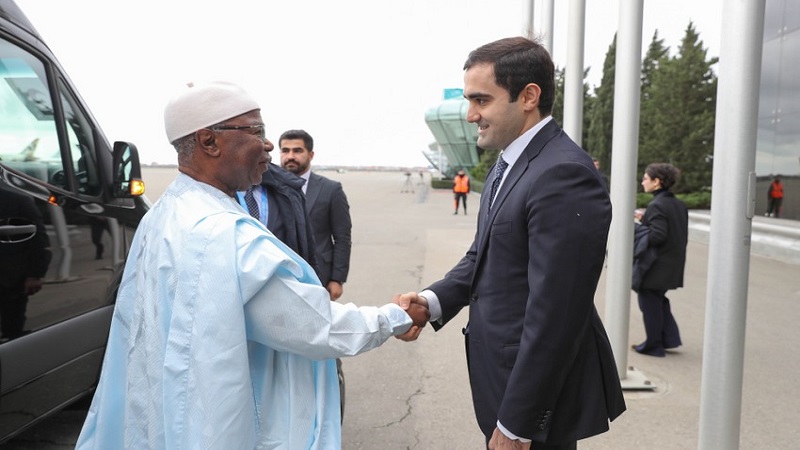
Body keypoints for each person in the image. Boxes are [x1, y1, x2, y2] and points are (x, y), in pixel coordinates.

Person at [75, 81, 428, 449]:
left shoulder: (164, 214)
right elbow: (316, 327)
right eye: (256, 131)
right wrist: (395, 316)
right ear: (209, 142)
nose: (269, 144)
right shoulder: (229, 236)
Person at [396, 37, 625, 449]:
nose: (471, 115)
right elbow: (484, 256)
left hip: (534, 403)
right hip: (504, 382)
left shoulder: (562, 175)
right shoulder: (510, 165)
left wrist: (519, 423)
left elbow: (557, 313)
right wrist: (431, 302)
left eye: (481, 100)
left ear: (528, 96)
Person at [279, 129, 352, 302]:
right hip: (279, 274)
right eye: (285, 150)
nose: (290, 156)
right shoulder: (267, 189)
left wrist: (337, 278)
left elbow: (342, 237)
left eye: (297, 151)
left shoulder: (331, 189)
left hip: (319, 275)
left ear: (311, 154)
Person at [631, 163, 688, 358]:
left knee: (649, 303)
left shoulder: (657, 205)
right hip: (672, 263)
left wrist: (636, 227)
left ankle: (653, 345)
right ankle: (668, 339)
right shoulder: (677, 204)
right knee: (658, 301)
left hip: (656, 265)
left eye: (646, 178)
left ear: (657, 182)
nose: (643, 181)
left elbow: (657, 236)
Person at [0, 189, 51, 342]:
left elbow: (39, 239)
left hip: (11, 280)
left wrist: (35, 274)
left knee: (12, 330)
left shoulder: (17, 201)